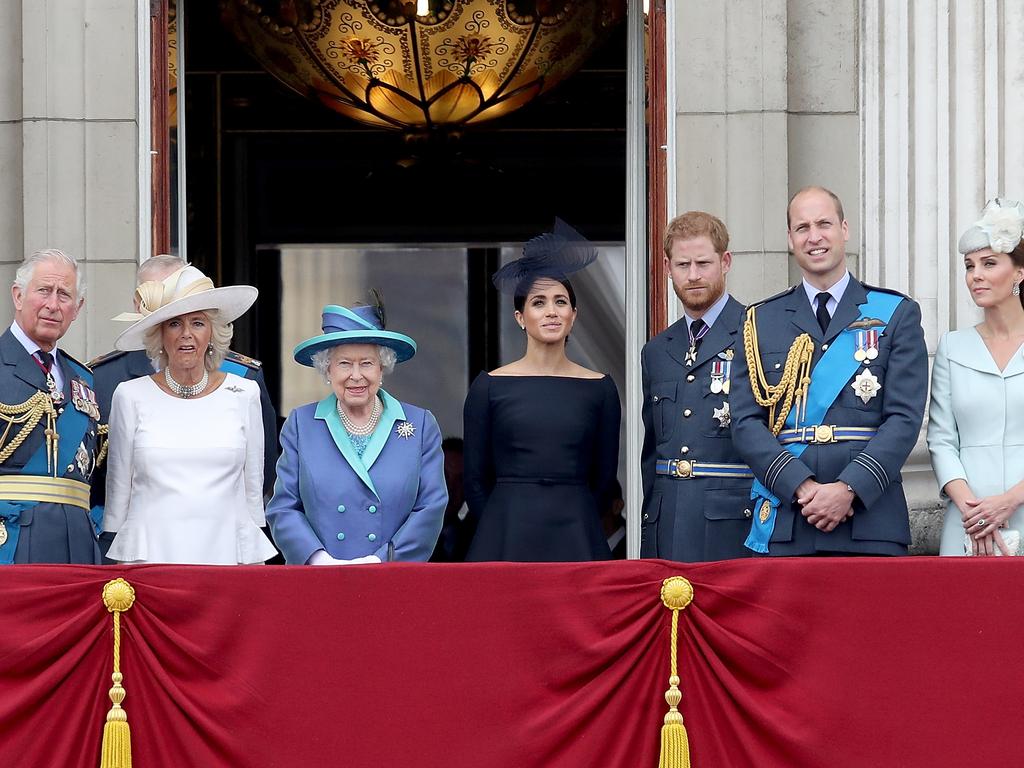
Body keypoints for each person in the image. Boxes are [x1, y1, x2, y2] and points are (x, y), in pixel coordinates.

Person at [730, 186, 928, 556]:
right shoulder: (760, 320)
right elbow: (745, 422)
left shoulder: (896, 313)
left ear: (844, 229)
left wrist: (848, 488)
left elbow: (904, 419)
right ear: (790, 239)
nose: (814, 236)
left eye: (824, 223)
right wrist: (801, 488)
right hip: (790, 518)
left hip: (870, 520)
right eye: (802, 227)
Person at [463, 219, 621, 562]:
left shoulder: (601, 389)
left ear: (574, 314)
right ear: (520, 317)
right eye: (539, 302)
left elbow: (604, 479)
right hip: (505, 533)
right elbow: (475, 480)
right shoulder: (488, 386)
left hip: (576, 532)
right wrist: (501, 520)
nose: (551, 311)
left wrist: (574, 511)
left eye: (560, 301)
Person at [102, 265, 277, 564]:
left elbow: (253, 500)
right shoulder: (129, 395)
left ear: (213, 332)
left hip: (226, 558)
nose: (186, 335)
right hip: (150, 560)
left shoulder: (245, 393)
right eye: (174, 324)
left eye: (198, 323)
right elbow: (117, 499)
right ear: (160, 334)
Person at [266, 300, 447, 564]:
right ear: (327, 369)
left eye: (366, 363)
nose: (356, 375)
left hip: (393, 578)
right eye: (344, 364)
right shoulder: (301, 424)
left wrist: (381, 560)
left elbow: (431, 507)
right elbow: (283, 507)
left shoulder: (419, 425)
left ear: (382, 368)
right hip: (321, 579)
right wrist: (318, 559)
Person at [640, 211, 754, 561]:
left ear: (725, 262)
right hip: (667, 525)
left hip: (732, 527)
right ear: (667, 266)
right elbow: (651, 455)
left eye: (703, 263)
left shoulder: (757, 333)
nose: (693, 275)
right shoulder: (657, 350)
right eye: (682, 264)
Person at [929, 198, 1024, 556]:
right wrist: (973, 510)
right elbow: (940, 440)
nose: (976, 275)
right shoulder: (953, 347)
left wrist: (1009, 501)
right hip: (967, 522)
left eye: (989, 263)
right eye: (969, 266)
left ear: (1019, 272)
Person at [0, 249, 101, 563]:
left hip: (76, 544)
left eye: (64, 295)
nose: (53, 305)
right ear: (18, 296)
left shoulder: (83, 378)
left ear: (77, 308)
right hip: (11, 541)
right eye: (44, 290)